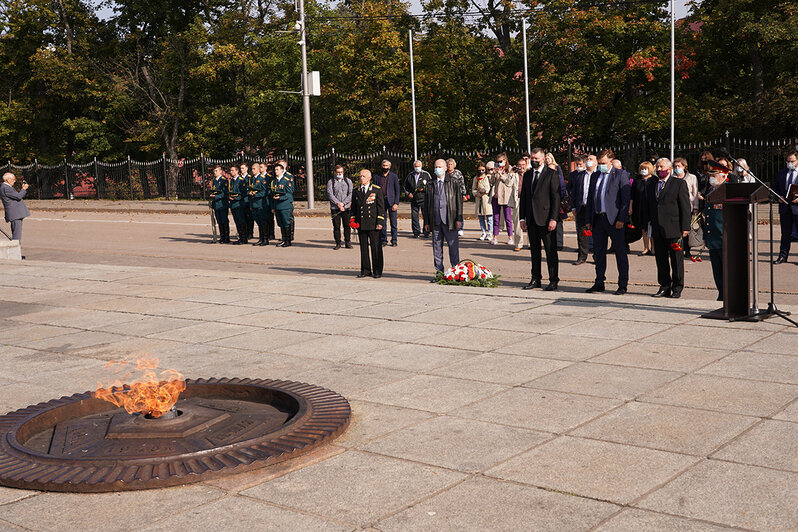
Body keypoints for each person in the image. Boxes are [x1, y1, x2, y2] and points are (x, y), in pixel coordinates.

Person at [585, 149, 631, 295]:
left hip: (614, 220)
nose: (600, 166)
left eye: (603, 163)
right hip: (598, 219)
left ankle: (622, 284)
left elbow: (625, 200)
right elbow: (590, 199)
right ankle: (599, 282)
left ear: (611, 161)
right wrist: (588, 219)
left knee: (620, 252)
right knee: (599, 253)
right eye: (599, 163)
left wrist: (621, 219)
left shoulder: (620, 175)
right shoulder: (595, 176)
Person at [644, 157, 691, 298]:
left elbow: (685, 207)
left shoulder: (678, 183)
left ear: (669, 169)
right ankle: (664, 285)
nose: (659, 169)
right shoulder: (651, 184)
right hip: (657, 228)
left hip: (674, 227)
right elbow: (648, 205)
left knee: (676, 260)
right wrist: (647, 223)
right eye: (657, 167)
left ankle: (677, 287)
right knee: (661, 259)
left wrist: (685, 227)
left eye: (662, 167)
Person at [519, 148, 561, 291]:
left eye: (536, 158)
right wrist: (522, 218)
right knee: (534, 251)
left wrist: (554, 219)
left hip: (546, 219)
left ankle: (554, 279)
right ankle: (535, 278)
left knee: (550, 251)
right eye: (532, 158)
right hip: (531, 219)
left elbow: (556, 199)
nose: (534, 160)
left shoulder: (551, 174)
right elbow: (524, 197)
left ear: (543, 159)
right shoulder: (528, 174)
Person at [424, 159, 463, 279]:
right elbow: (426, 204)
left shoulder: (453, 181)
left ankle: (456, 272)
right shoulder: (430, 184)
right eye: (436, 167)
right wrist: (426, 222)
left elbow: (458, 202)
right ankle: (439, 273)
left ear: (446, 168)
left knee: (453, 247)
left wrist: (459, 219)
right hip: (435, 220)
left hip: (450, 220)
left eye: (440, 166)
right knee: (436, 248)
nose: (438, 169)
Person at [351, 169, 384, 278]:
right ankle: (365, 270)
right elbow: (354, 208)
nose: (361, 178)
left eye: (364, 176)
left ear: (369, 178)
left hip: (373, 223)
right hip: (361, 222)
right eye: (360, 176)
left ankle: (377, 270)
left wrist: (380, 221)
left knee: (375, 247)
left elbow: (380, 208)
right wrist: (353, 220)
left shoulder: (376, 190)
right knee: (363, 248)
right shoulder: (356, 191)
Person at [568, 154, 596, 265]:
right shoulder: (579, 175)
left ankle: (597, 257)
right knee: (582, 233)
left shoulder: (599, 175)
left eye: (591, 159)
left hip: (595, 209)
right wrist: (573, 206)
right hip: (582, 208)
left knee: (596, 233)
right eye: (587, 159)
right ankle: (582, 256)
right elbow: (574, 192)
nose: (589, 161)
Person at [703, 169, 726, 301]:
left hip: (724, 237)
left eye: (714, 176)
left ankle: (727, 294)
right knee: (717, 269)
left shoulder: (726, 191)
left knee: (725, 269)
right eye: (710, 176)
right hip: (713, 237)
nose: (711, 178)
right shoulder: (711, 190)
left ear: (723, 177)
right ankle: (721, 293)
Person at [773, 150, 798, 264]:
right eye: (788, 161)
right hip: (785, 207)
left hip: (797, 207)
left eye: (792, 161)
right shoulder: (782, 172)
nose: (790, 163)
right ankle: (783, 256)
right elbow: (775, 187)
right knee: (785, 234)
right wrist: (778, 196)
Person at [673, 157, 699, 259]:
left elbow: (695, 192)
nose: (676, 168)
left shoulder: (692, 177)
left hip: (688, 205)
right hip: (675, 207)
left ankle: (687, 250)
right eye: (675, 166)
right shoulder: (672, 178)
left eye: (678, 166)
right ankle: (678, 248)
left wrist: (696, 207)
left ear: (684, 167)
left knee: (687, 228)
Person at [373, 160, 400, 247]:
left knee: (393, 223)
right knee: (382, 222)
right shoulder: (377, 177)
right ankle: (383, 240)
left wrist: (396, 203)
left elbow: (397, 190)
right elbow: (374, 189)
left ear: (389, 167)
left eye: (386, 166)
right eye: (383, 165)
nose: (385, 167)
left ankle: (394, 240)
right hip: (381, 202)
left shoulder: (394, 176)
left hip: (391, 202)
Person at [0, 172, 30, 249]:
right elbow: (18, 196)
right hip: (15, 214)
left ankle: (16, 251)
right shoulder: (5, 188)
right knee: (16, 236)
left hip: (16, 214)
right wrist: (24, 189)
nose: (14, 181)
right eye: (13, 179)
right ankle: (16, 252)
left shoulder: (6, 187)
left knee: (16, 234)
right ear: (8, 180)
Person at [327, 164, 353, 249]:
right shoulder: (331, 182)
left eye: (341, 172)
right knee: (336, 226)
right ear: (335, 172)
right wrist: (338, 203)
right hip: (335, 208)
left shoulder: (348, 181)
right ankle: (338, 242)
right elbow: (330, 194)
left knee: (347, 225)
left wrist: (344, 204)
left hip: (346, 207)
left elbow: (350, 194)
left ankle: (347, 242)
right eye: (338, 172)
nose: (339, 173)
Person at [631, 161, 654, 256]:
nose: (643, 171)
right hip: (640, 207)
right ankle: (646, 247)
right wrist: (630, 208)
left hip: (651, 208)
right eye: (642, 169)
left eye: (646, 169)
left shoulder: (654, 180)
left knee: (652, 228)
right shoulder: (637, 181)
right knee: (643, 228)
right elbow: (632, 195)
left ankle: (653, 248)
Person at [490, 153, 514, 245]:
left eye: (501, 161)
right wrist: (493, 174)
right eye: (498, 162)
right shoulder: (496, 169)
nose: (499, 163)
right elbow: (491, 182)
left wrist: (502, 175)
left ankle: (510, 237)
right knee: (496, 218)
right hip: (496, 196)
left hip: (505, 197)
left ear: (505, 160)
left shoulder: (510, 169)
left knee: (508, 218)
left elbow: (509, 182)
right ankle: (495, 237)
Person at [546, 152, 567, 251]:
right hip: (547, 201)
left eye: (549, 158)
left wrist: (560, 198)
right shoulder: (544, 170)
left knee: (558, 222)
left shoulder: (557, 170)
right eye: (546, 158)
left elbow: (562, 185)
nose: (547, 159)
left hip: (557, 199)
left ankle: (559, 243)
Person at [404, 160, 431, 238]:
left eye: (418, 166)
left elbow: (431, 185)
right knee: (414, 216)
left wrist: (424, 189)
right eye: (416, 166)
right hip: (414, 199)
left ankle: (426, 231)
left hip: (424, 199)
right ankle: (416, 232)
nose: (417, 168)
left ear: (421, 166)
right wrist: (408, 193)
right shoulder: (410, 175)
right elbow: (405, 186)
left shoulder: (426, 174)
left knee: (426, 216)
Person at [271, 160, 294, 247]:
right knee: (280, 223)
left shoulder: (286, 180)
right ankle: (283, 239)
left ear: (282, 170)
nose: (276, 171)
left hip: (285, 205)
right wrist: (273, 206)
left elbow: (289, 193)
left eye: (277, 170)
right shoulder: (274, 181)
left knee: (286, 222)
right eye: (275, 170)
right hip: (277, 205)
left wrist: (280, 197)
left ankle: (288, 240)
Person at [250, 162, 271, 246]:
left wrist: (256, 194)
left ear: (258, 169)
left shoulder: (262, 178)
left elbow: (265, 191)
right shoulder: (252, 179)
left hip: (261, 204)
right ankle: (261, 238)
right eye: (252, 169)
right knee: (258, 222)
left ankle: (265, 239)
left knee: (263, 221)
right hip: (254, 203)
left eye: (254, 169)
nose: (252, 170)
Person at [446, 158, 468, 236]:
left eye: (451, 164)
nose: (449, 166)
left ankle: (460, 228)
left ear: (454, 165)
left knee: (459, 212)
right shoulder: (445, 173)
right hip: (448, 196)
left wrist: (463, 194)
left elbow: (462, 184)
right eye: (448, 164)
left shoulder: (458, 173)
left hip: (457, 195)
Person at [472, 161, 493, 240]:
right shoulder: (475, 178)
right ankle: (483, 232)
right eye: (479, 170)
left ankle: (490, 232)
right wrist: (476, 193)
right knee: (481, 218)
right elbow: (473, 189)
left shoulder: (488, 177)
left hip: (486, 200)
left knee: (489, 218)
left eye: (482, 170)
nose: (481, 172)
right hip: (479, 200)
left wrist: (483, 190)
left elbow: (489, 188)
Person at [209, 166, 230, 244]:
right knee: (219, 221)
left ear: (221, 171)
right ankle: (222, 237)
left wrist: (217, 196)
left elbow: (225, 193)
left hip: (222, 203)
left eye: (216, 171)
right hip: (216, 204)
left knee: (224, 220)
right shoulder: (214, 181)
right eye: (214, 171)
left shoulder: (224, 180)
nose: (215, 172)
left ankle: (226, 237)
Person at [511, 157, 527, 252]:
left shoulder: (529, 174)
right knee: (517, 222)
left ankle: (531, 243)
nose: (521, 167)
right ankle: (518, 243)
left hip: (529, 200)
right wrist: (511, 173)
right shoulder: (514, 175)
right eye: (519, 165)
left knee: (530, 221)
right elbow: (508, 184)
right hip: (518, 199)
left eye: (523, 165)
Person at [228, 165, 248, 245]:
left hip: (239, 204)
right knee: (237, 222)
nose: (231, 172)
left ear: (237, 171)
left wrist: (235, 198)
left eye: (233, 170)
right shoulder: (232, 181)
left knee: (241, 221)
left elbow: (243, 193)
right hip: (233, 204)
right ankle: (240, 237)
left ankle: (244, 238)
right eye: (231, 170)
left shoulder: (241, 180)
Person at [240, 163, 255, 239]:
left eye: (243, 168)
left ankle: (250, 232)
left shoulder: (250, 178)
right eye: (241, 168)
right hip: (241, 201)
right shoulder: (239, 178)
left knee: (249, 218)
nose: (241, 170)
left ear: (246, 169)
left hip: (248, 200)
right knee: (243, 218)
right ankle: (244, 232)